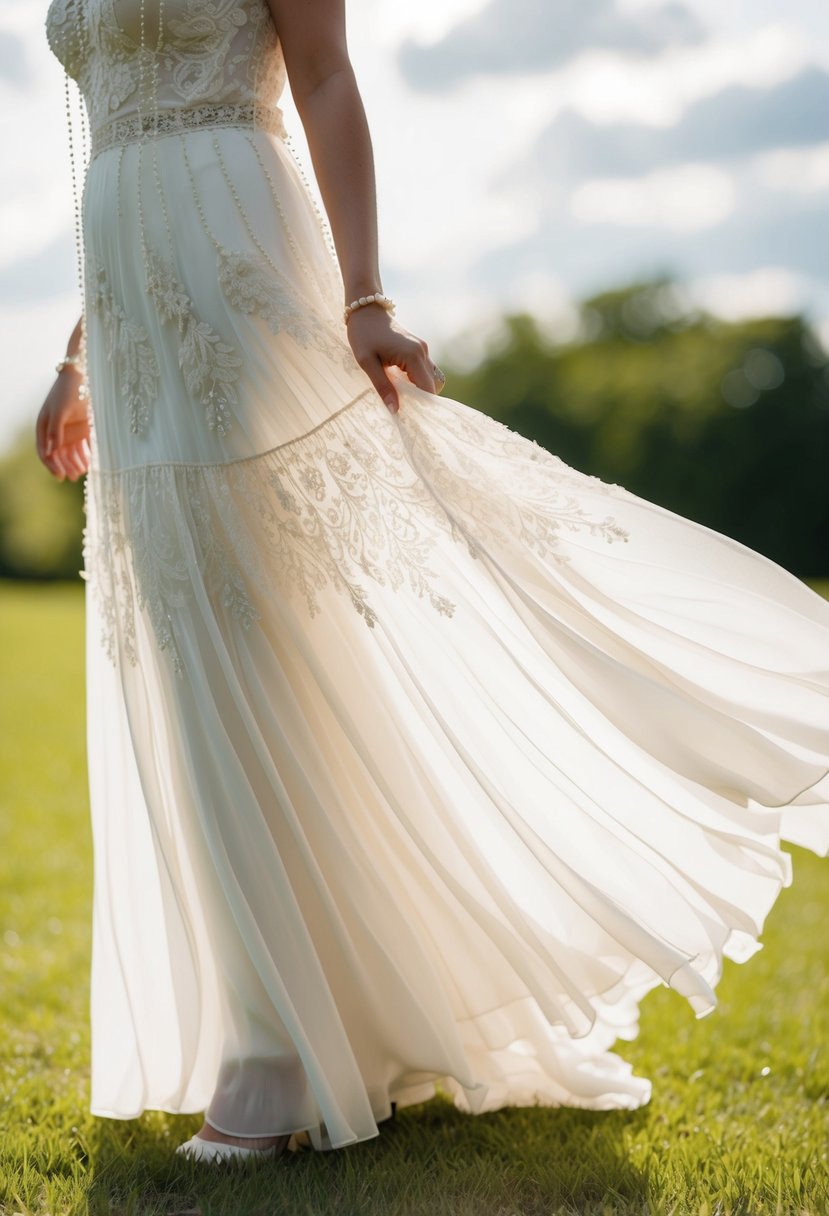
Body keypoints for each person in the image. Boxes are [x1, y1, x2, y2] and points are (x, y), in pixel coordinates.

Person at [38, 0, 829, 1166]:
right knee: (187, 652)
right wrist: (74, 356)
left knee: (254, 643)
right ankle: (320, 1022)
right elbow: (123, 134)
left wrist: (363, 299)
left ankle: (278, 1059)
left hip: (235, 268)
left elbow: (324, 77)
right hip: (129, 298)